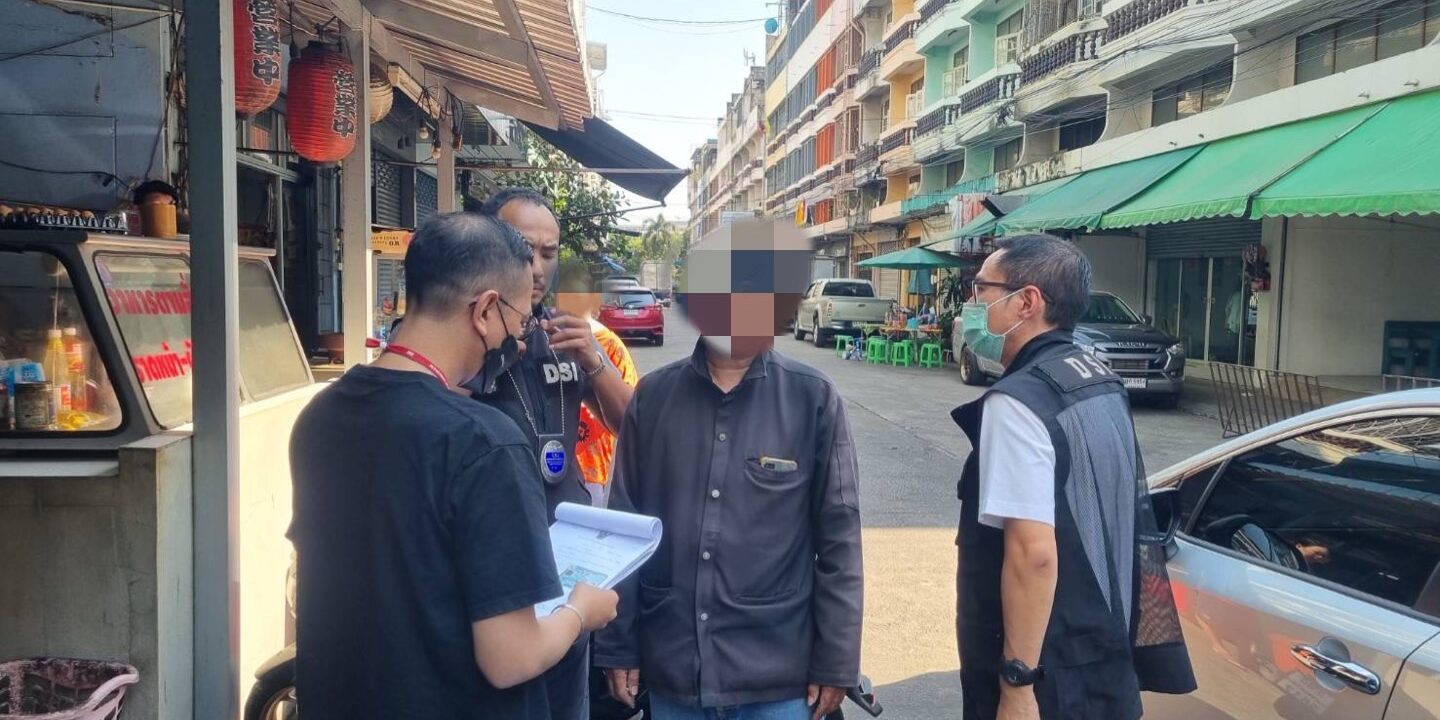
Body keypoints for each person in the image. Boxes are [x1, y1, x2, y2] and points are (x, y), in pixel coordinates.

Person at [286, 212, 619, 719]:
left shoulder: (320, 415)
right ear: (484, 310)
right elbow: (511, 657)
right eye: (518, 322)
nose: (519, 341)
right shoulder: (484, 442)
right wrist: (580, 611)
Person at [597, 219, 864, 720]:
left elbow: (839, 540)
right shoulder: (653, 398)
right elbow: (623, 526)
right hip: (673, 665)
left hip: (777, 674)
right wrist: (617, 645)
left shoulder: (811, 399)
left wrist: (837, 660)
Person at [950, 234, 1195, 720]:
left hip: (1048, 676)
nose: (972, 304)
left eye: (981, 289)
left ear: (1026, 302)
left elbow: (1033, 555)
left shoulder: (1018, 402)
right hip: (1101, 654)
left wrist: (1018, 685)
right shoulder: (1098, 377)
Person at [468, 187, 635, 720]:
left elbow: (632, 427)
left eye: (549, 252)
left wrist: (593, 360)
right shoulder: (465, 339)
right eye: (524, 250)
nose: (538, 268)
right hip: (491, 585)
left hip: (564, 577)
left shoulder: (564, 333)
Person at [553, 260, 640, 506]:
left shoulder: (609, 346)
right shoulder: (543, 337)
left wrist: (595, 366)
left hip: (594, 467)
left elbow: (630, 413)